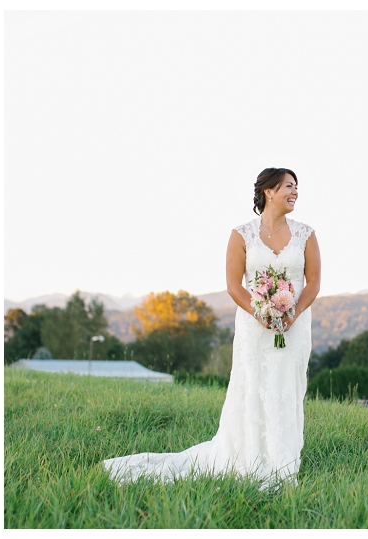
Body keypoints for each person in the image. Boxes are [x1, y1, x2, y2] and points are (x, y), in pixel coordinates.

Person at [103, 167, 321, 490]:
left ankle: (281, 459)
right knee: (253, 387)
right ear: (269, 191)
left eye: (297, 187)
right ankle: (248, 456)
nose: (295, 193)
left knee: (286, 389)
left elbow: (313, 281)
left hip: (294, 327)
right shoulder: (241, 234)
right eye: (289, 186)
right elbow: (234, 285)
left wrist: (294, 312)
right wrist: (260, 312)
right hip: (254, 327)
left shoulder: (306, 234)